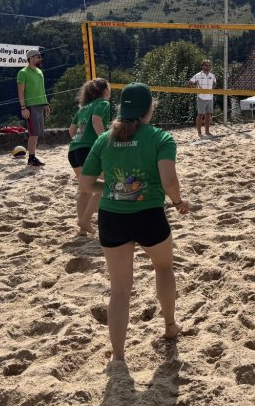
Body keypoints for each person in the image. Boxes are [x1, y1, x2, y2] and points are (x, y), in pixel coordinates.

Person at [79, 83, 190, 361]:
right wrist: (178, 202)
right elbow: (169, 181)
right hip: (148, 214)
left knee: (119, 290)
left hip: (112, 217)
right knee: (164, 268)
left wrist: (113, 189)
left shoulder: (104, 139)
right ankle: (169, 326)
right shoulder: (161, 138)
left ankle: (118, 355)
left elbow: (86, 184)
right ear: (149, 109)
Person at [68, 78, 111, 233]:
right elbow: (96, 120)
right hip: (88, 149)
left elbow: (71, 131)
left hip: (74, 150)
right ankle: (85, 220)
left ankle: (83, 228)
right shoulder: (103, 103)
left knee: (85, 189)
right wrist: (105, 141)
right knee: (109, 184)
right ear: (104, 90)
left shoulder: (83, 108)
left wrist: (79, 142)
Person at [17, 48, 50, 167]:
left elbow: (42, 89)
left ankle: (33, 157)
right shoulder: (23, 72)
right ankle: (31, 158)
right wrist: (23, 107)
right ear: (30, 58)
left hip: (41, 105)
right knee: (33, 133)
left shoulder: (39, 72)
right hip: (30, 106)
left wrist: (46, 104)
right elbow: (20, 92)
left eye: (40, 57)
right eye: (38, 57)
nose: (40, 59)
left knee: (36, 133)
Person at [186, 60, 216, 138]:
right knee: (200, 114)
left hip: (210, 97)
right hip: (201, 97)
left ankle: (207, 131)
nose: (208, 67)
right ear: (202, 66)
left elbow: (215, 83)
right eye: (206, 65)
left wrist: (212, 89)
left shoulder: (212, 75)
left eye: (209, 65)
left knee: (208, 114)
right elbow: (189, 83)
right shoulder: (198, 75)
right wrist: (197, 89)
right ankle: (199, 133)